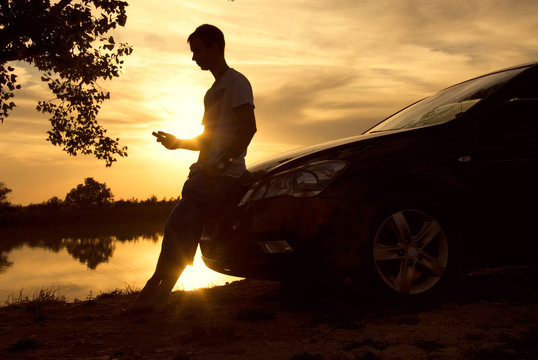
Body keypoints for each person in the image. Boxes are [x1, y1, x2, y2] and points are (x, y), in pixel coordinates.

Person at [129, 24, 256, 312]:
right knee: (181, 230)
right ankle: (156, 296)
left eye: (197, 50)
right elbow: (209, 139)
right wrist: (178, 143)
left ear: (214, 47)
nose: (194, 58)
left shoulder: (236, 83)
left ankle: (152, 296)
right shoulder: (213, 92)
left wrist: (224, 164)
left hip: (220, 177)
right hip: (205, 174)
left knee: (178, 227)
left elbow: (248, 128)